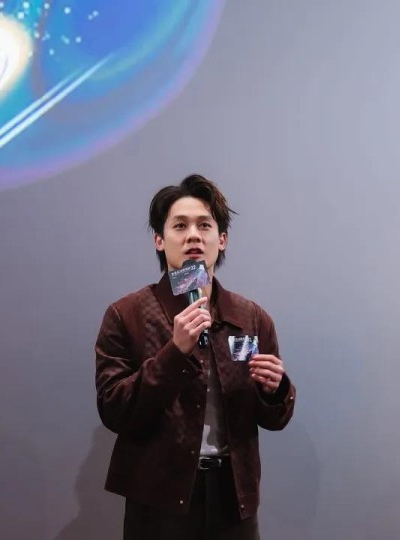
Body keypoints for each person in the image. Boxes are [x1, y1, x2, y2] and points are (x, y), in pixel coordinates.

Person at [95, 174, 295, 539]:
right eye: (180, 226)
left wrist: (275, 390)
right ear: (159, 240)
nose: (193, 236)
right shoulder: (127, 315)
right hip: (158, 501)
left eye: (204, 225)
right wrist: (174, 353)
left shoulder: (250, 317)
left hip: (233, 500)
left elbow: (275, 417)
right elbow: (114, 410)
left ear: (222, 239)